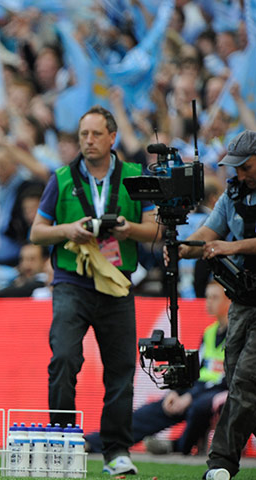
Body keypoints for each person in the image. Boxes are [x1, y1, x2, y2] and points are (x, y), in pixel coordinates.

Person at [30, 105, 159, 476]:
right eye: (83, 134)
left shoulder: (135, 175)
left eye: (96, 134)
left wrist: (127, 230)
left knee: (120, 370)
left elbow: (157, 230)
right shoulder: (62, 177)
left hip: (118, 284)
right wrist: (68, 229)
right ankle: (62, 442)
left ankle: (116, 450)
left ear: (112, 137)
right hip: (73, 282)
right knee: (64, 358)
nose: (88, 141)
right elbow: (38, 232)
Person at [168, 130, 256, 480]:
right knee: (236, 380)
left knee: (247, 379)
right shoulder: (232, 195)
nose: (240, 174)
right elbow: (207, 234)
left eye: (246, 167)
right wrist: (181, 248)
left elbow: (223, 244)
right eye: (236, 168)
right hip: (244, 301)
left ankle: (220, 464)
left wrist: (231, 247)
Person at [85, 281, 229, 455]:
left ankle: (177, 447)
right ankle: (93, 443)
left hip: (219, 392)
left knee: (200, 407)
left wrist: (190, 397)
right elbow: (194, 372)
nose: (208, 302)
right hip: (196, 391)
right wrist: (177, 391)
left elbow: (231, 379)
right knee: (152, 411)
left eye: (214, 298)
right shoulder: (209, 332)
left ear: (230, 301)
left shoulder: (238, 335)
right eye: (207, 297)